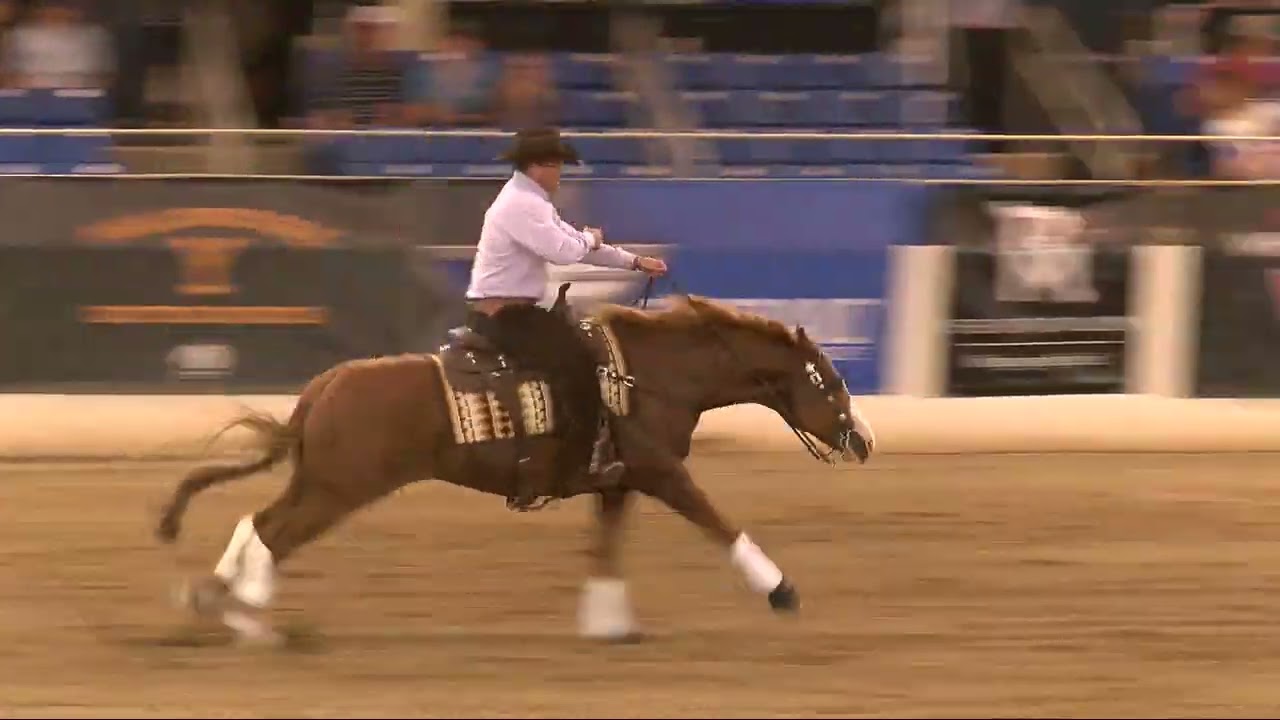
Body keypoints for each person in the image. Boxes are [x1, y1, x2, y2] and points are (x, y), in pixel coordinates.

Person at [465, 126, 667, 510]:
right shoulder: (521, 205)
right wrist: (590, 239)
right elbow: (565, 251)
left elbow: (576, 245)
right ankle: (577, 462)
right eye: (557, 165)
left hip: (514, 310)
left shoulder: (530, 201)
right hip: (506, 315)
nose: (560, 173)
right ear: (538, 166)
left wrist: (635, 262)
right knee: (581, 364)